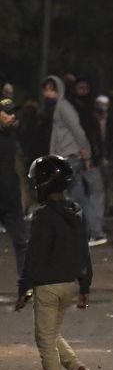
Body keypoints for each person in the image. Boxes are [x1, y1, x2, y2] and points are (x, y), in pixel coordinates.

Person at [14, 155, 93, 370]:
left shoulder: (43, 215)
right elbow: (85, 250)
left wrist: (23, 287)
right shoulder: (76, 212)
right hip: (70, 284)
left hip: (47, 286)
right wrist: (85, 285)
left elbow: (33, 254)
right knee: (52, 334)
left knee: (44, 339)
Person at [42, 76, 105, 246]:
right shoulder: (59, 107)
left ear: (59, 89)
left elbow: (78, 131)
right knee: (77, 196)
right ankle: (93, 231)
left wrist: (87, 155)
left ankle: (87, 231)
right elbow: (57, 135)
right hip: (67, 157)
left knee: (61, 194)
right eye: (46, 89)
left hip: (71, 157)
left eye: (51, 89)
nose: (47, 92)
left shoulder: (63, 107)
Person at [0, 98, 29, 273]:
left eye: (13, 112)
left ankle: (25, 284)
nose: (12, 116)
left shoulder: (12, 133)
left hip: (10, 196)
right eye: (7, 113)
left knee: (21, 242)